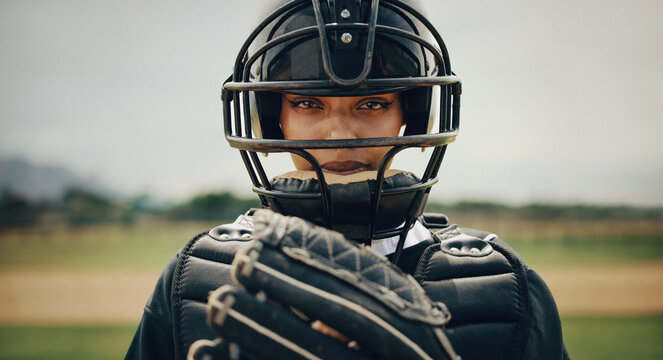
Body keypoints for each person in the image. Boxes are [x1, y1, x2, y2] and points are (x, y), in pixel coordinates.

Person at [125, 0, 569, 359]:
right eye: (308, 104)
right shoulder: (194, 283)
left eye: (372, 104)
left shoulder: (504, 292)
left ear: (410, 114)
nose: (340, 137)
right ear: (270, 116)